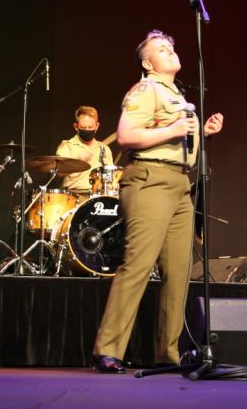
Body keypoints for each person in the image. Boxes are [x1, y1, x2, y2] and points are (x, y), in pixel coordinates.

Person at [91, 30, 224, 373]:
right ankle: (109, 349)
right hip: (149, 180)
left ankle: (168, 353)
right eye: (161, 49)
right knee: (137, 265)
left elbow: (176, 135)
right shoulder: (146, 89)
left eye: (171, 47)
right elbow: (126, 135)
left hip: (180, 184)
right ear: (148, 64)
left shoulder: (175, 94)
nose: (171, 51)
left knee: (178, 272)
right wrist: (174, 130)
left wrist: (201, 133)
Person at [56, 106, 113, 195]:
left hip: (98, 196)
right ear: (76, 126)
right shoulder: (67, 146)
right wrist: (78, 161)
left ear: (97, 126)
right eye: (83, 127)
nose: (87, 130)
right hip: (73, 195)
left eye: (90, 127)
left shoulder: (104, 148)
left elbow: (110, 178)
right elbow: (59, 173)